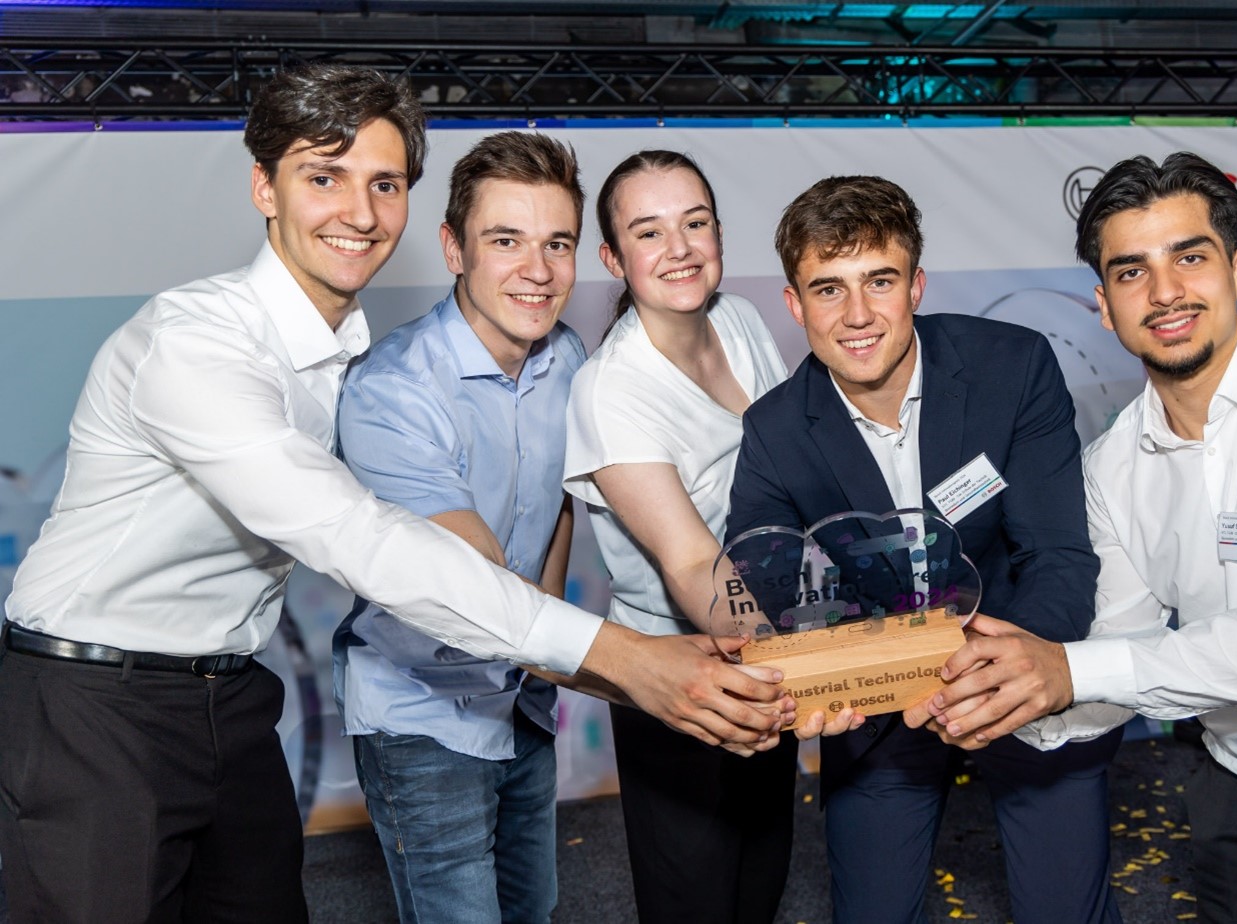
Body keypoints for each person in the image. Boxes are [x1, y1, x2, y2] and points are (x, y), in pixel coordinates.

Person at [0, 65, 786, 924]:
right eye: (323, 177)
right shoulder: (201, 346)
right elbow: (369, 543)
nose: (361, 212)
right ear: (264, 187)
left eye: (384, 183)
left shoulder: (358, 354)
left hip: (235, 693)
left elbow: (549, 523)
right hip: (95, 698)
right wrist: (631, 666)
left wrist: (605, 671)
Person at [925, 151, 1237, 923]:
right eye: (1132, 271)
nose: (1165, 291)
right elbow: (1121, 648)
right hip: (1232, 809)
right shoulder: (1110, 469)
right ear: (1104, 307)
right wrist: (992, 695)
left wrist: (1065, 669)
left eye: (1190, 257)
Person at [727, 175, 1125, 924]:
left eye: (879, 281)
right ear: (794, 305)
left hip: (1016, 658)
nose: (857, 315)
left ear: (916, 285)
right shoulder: (775, 431)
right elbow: (771, 589)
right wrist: (823, 675)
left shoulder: (1012, 365)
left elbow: (1057, 554)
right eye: (828, 288)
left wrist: (1006, 670)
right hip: (876, 702)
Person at [333, 131, 586, 924]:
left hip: (523, 694)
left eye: (557, 244)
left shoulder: (568, 358)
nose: (537, 270)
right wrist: (636, 668)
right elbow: (470, 577)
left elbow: (561, 501)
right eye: (505, 240)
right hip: (421, 709)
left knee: (533, 910)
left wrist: (548, 662)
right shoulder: (391, 390)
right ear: (454, 248)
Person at [563, 150, 800, 924]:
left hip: (767, 646)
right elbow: (692, 559)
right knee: (693, 898)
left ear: (720, 234)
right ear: (613, 259)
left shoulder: (739, 319)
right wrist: (791, 667)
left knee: (762, 878)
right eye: (649, 231)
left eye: (695, 223)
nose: (680, 249)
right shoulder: (612, 388)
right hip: (680, 673)